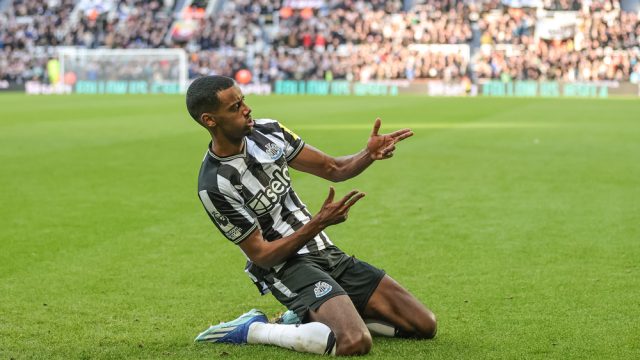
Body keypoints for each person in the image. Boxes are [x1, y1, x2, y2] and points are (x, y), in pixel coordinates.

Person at [186, 75, 437, 356]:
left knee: (424, 325)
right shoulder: (214, 185)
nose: (246, 109)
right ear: (210, 120)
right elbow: (262, 255)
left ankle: (312, 317)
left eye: (243, 100)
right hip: (285, 267)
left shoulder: (268, 130)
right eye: (235, 107)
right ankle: (254, 329)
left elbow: (333, 168)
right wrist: (318, 222)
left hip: (323, 251)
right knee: (354, 342)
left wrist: (368, 154)